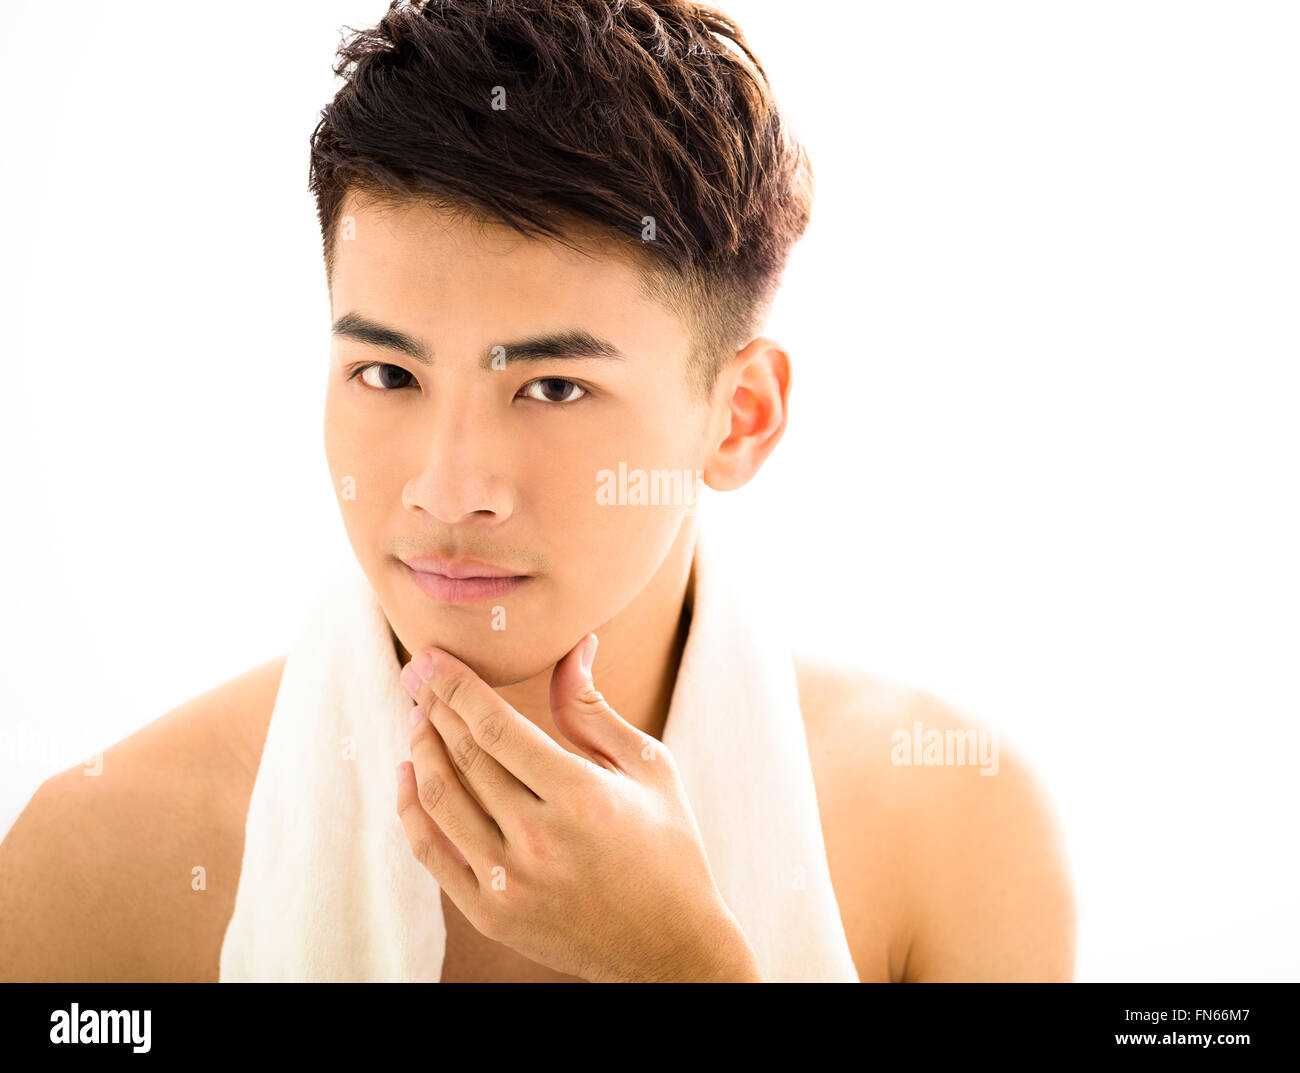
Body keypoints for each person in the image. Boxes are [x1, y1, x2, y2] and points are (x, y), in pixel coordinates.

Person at [0, 0, 1074, 982]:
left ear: (740, 416)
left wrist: (682, 961)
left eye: (553, 385)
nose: (448, 487)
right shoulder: (96, 860)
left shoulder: (952, 827)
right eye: (389, 374)